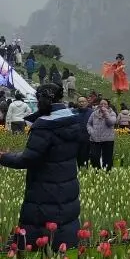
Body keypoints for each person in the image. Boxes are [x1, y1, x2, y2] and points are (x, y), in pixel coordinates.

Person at [0, 83, 82, 250]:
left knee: (41, 227)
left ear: (44, 100)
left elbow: (28, 159)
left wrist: (3, 157)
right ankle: (64, 251)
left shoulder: (45, 126)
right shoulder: (72, 120)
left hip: (45, 188)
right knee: (63, 223)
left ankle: (38, 256)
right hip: (67, 183)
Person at [86, 95, 117, 170]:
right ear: (99, 105)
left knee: (107, 158)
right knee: (94, 156)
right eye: (101, 104)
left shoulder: (112, 113)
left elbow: (111, 123)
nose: (103, 105)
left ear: (108, 105)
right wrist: (91, 131)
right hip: (95, 138)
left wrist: (106, 113)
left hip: (108, 139)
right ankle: (97, 172)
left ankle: (107, 172)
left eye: (105, 104)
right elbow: (89, 124)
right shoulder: (94, 113)